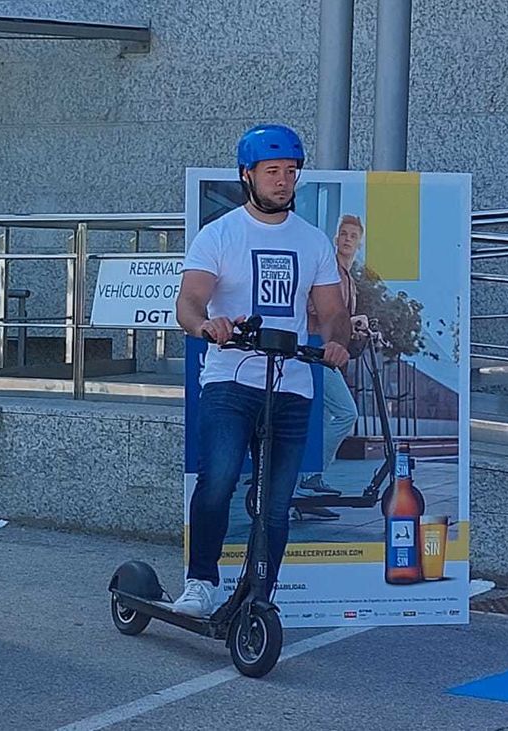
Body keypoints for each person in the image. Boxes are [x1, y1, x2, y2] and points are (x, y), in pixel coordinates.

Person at [173, 124, 351, 618]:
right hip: (231, 381)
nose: (283, 181)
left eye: (291, 172)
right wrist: (206, 324)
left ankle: (261, 594)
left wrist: (336, 341)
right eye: (272, 171)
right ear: (246, 175)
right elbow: (189, 301)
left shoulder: (312, 241)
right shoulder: (220, 234)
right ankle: (201, 583)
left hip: (291, 385)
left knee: (275, 502)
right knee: (218, 481)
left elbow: (332, 311)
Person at [295, 214, 370, 519]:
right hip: (315, 351)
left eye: (354, 235)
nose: (348, 239)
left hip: (326, 354)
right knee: (346, 413)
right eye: (344, 234)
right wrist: (350, 322)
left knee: (323, 417)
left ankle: (304, 499)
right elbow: (314, 311)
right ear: (336, 238)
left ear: (359, 242)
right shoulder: (330, 272)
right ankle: (309, 478)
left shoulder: (348, 278)